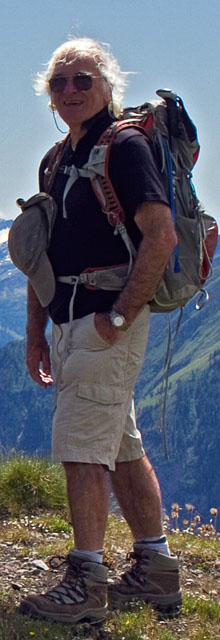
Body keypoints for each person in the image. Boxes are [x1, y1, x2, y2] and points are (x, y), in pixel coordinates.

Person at [19, 37, 181, 625]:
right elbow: (43, 258)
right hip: (70, 321)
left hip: (104, 320)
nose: (70, 91)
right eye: (59, 82)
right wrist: (38, 331)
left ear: (108, 85)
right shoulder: (57, 159)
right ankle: (156, 568)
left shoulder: (126, 147)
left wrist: (118, 316)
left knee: (80, 449)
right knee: (117, 445)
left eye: (82, 79)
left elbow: (159, 235)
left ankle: (86, 580)